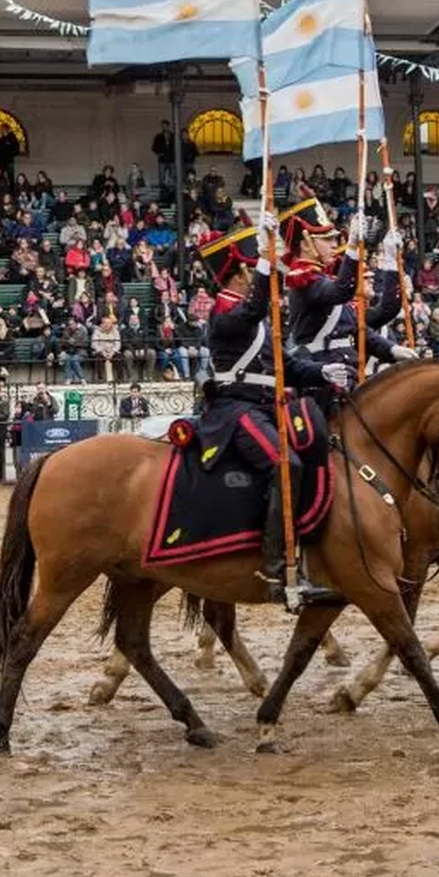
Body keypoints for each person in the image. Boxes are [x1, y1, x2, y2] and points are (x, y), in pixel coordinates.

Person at [198, 219, 350, 611]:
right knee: (286, 464)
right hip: (237, 410)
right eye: (253, 268)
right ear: (241, 272)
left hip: (266, 407)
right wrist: (267, 258)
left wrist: (322, 372)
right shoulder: (223, 312)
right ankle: (276, 568)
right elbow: (250, 312)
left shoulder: (258, 318)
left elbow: (288, 365)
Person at [280, 191, 415, 378]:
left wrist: (392, 350)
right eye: (327, 239)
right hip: (322, 374)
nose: (334, 244)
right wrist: (352, 247)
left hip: (349, 371)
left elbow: (364, 328)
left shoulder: (325, 281)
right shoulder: (304, 280)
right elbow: (341, 291)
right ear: (305, 244)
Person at [151, 119, 175, 198]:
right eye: (163, 126)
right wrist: (159, 153)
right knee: (162, 177)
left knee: (173, 176)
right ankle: (162, 193)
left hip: (171, 159)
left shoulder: (173, 135)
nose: (164, 127)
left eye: (166, 126)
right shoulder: (158, 136)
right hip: (162, 159)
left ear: (168, 126)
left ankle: (173, 193)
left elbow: (176, 147)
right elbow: (154, 147)